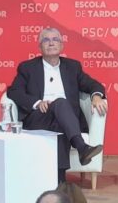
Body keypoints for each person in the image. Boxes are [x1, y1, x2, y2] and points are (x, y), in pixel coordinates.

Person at [8, 27, 107, 183]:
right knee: (61, 104)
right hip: (38, 117)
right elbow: (14, 91)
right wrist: (36, 103)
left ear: (62, 46)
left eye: (55, 39)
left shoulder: (73, 67)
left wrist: (96, 96)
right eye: (46, 40)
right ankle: (81, 147)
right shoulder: (27, 68)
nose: (51, 43)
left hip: (65, 118)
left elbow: (93, 84)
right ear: (40, 47)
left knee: (60, 119)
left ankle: (58, 181)